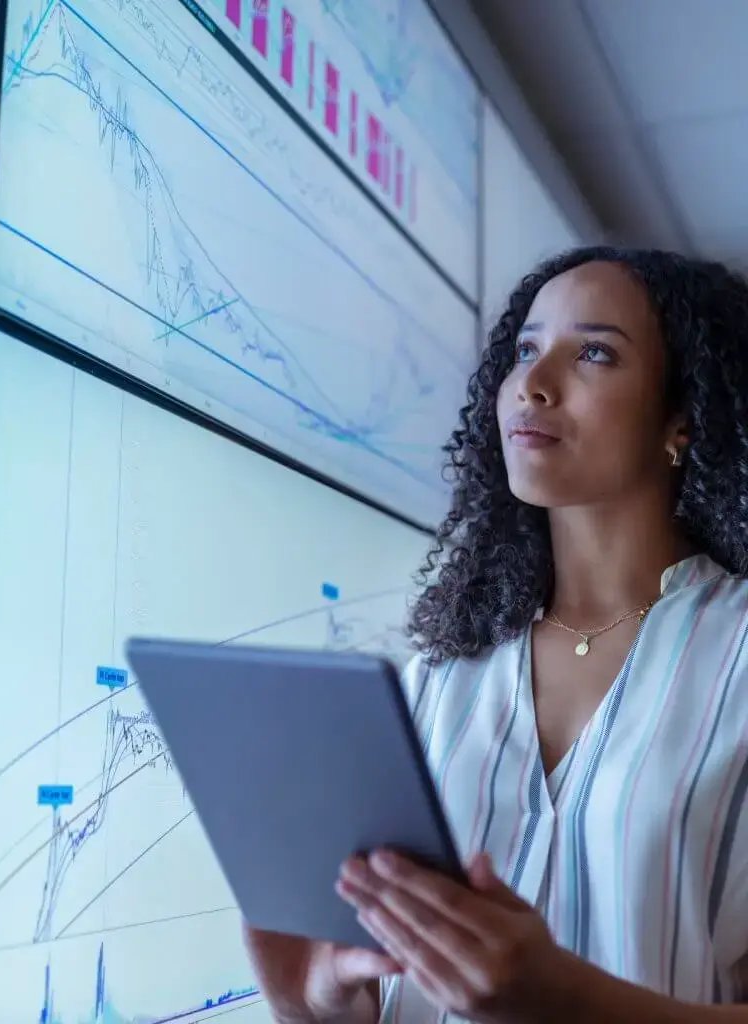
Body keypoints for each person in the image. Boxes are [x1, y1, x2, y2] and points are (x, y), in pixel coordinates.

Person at [245, 248, 748, 1023]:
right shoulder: (440, 677)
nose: (533, 384)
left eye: (594, 352)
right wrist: (321, 998)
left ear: (681, 419)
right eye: (523, 350)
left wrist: (567, 1000)